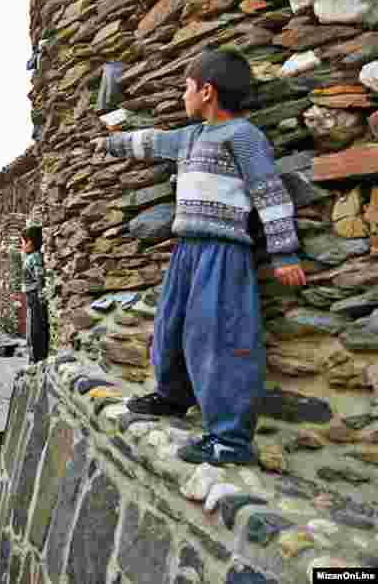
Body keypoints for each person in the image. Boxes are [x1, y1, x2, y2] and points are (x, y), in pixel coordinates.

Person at [92, 47, 307, 466]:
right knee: (170, 325)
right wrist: (109, 144)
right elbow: (152, 142)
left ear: (207, 91)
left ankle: (230, 439)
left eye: (186, 88)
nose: (182, 96)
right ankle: (173, 396)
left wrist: (284, 253)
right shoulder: (191, 137)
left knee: (218, 339)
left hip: (223, 253)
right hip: (186, 250)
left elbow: (269, 193)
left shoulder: (243, 137)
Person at [21, 226, 50, 364]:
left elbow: (39, 275)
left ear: (32, 242)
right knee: (32, 326)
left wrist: (40, 293)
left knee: (36, 327)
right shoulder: (30, 256)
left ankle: (38, 357)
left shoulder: (36, 256)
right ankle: (34, 354)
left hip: (35, 295)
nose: (23, 246)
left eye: (25, 242)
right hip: (31, 295)